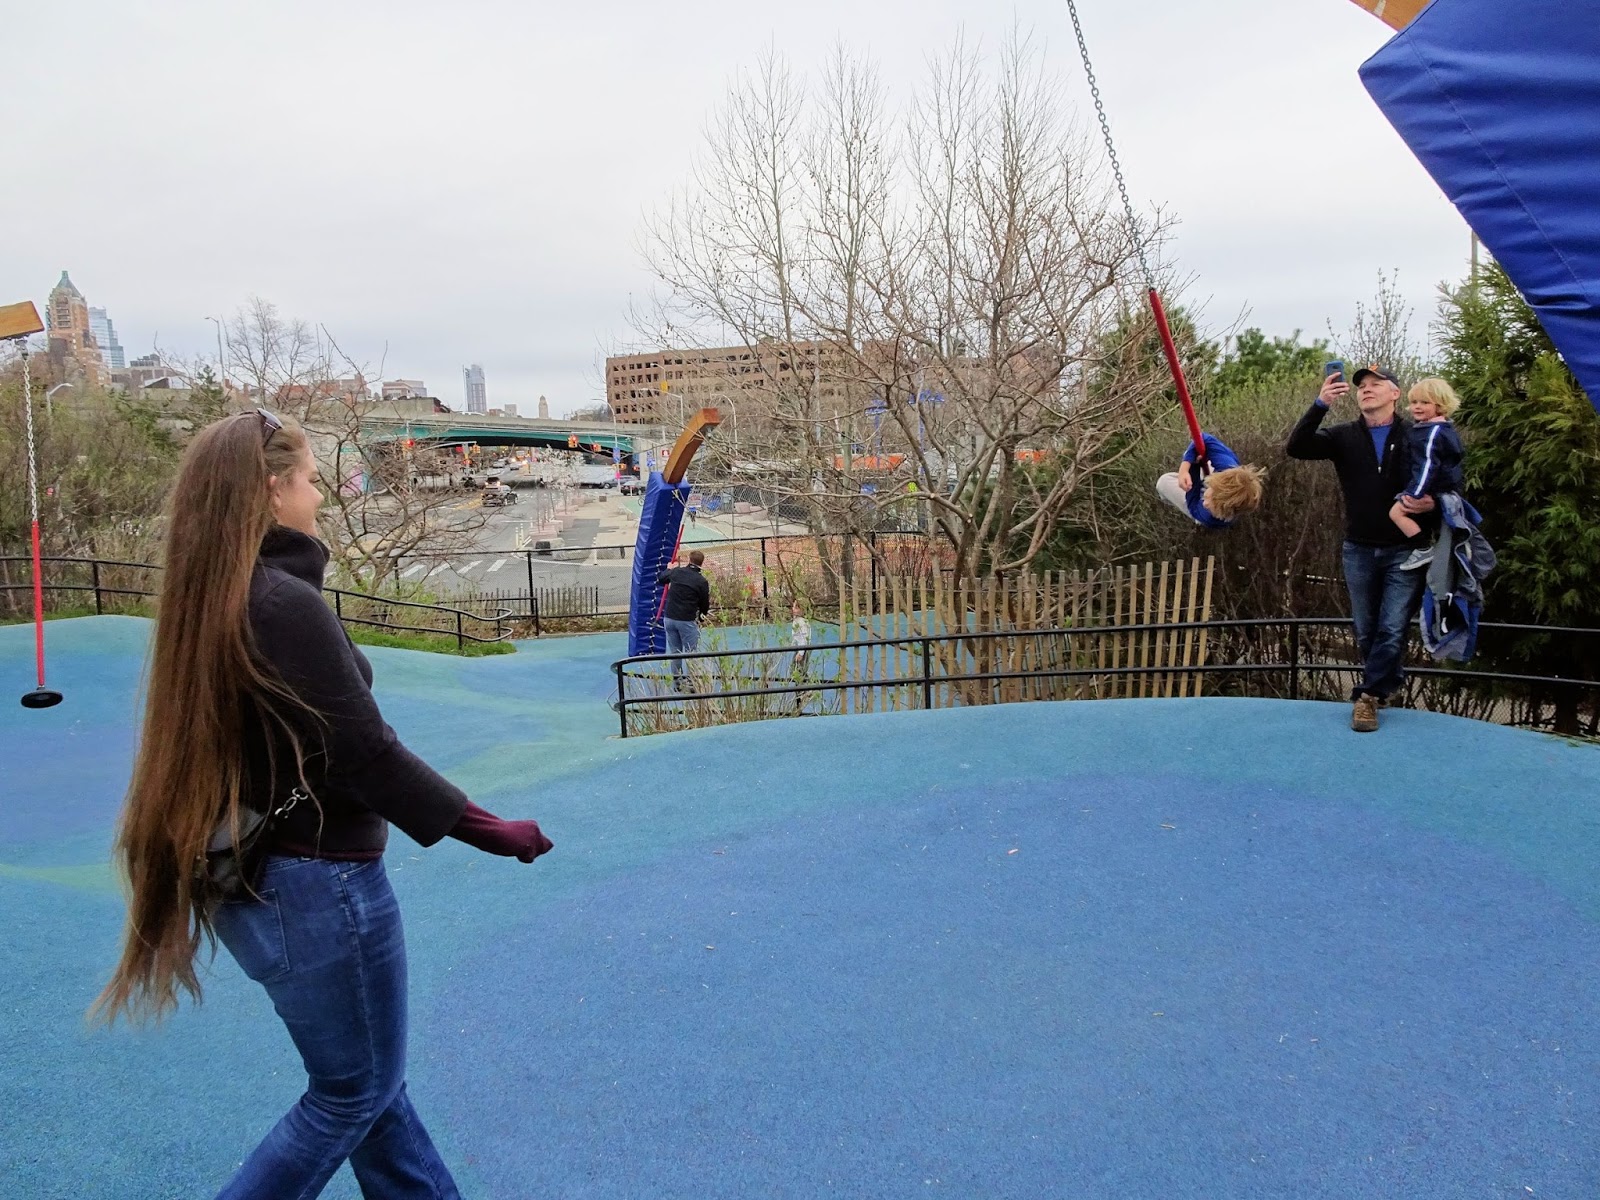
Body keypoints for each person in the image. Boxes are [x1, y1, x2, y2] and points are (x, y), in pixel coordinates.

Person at [91, 409, 553, 1200]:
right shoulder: (279, 602)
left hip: (262, 885)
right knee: (350, 1094)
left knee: (373, 1090)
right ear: (272, 491)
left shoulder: (218, 598)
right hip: (317, 886)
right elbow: (364, 752)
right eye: (309, 481)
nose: (318, 498)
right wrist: (488, 829)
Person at [1287, 364, 1432, 732]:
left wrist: (1433, 502)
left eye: (1376, 384)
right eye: (1362, 385)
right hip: (1359, 549)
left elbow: (1445, 475)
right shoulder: (1343, 436)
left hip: (1406, 550)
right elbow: (1297, 447)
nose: (1366, 389)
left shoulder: (1417, 434)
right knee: (1366, 630)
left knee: (1391, 628)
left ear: (1395, 394)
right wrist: (1320, 404)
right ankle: (1386, 683)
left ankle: (1367, 698)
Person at [1389, 377, 1466, 569]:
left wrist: (1414, 493)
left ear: (1440, 405)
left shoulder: (1431, 433)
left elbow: (1427, 466)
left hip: (1430, 489)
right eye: (1414, 402)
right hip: (1440, 490)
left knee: (1396, 513)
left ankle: (1423, 548)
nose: (1417, 407)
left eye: (1424, 402)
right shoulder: (1441, 429)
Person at [1154, 432, 1267, 529]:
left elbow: (1193, 503)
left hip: (1198, 508)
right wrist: (1185, 467)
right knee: (1200, 455)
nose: (1205, 503)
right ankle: (1205, 480)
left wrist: (1193, 467)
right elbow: (1204, 438)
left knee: (1163, 482)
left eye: (1211, 504)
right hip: (1215, 480)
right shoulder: (1228, 466)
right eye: (1209, 498)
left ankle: (1198, 494)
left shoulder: (1209, 517)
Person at [656, 549, 711, 685]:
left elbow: (661, 578)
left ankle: (677, 681)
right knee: (691, 652)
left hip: (670, 617)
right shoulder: (701, 581)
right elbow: (704, 603)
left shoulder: (677, 572)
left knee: (675, 651)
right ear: (701, 563)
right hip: (686, 619)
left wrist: (669, 569)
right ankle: (693, 682)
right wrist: (702, 617)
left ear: (689, 560)